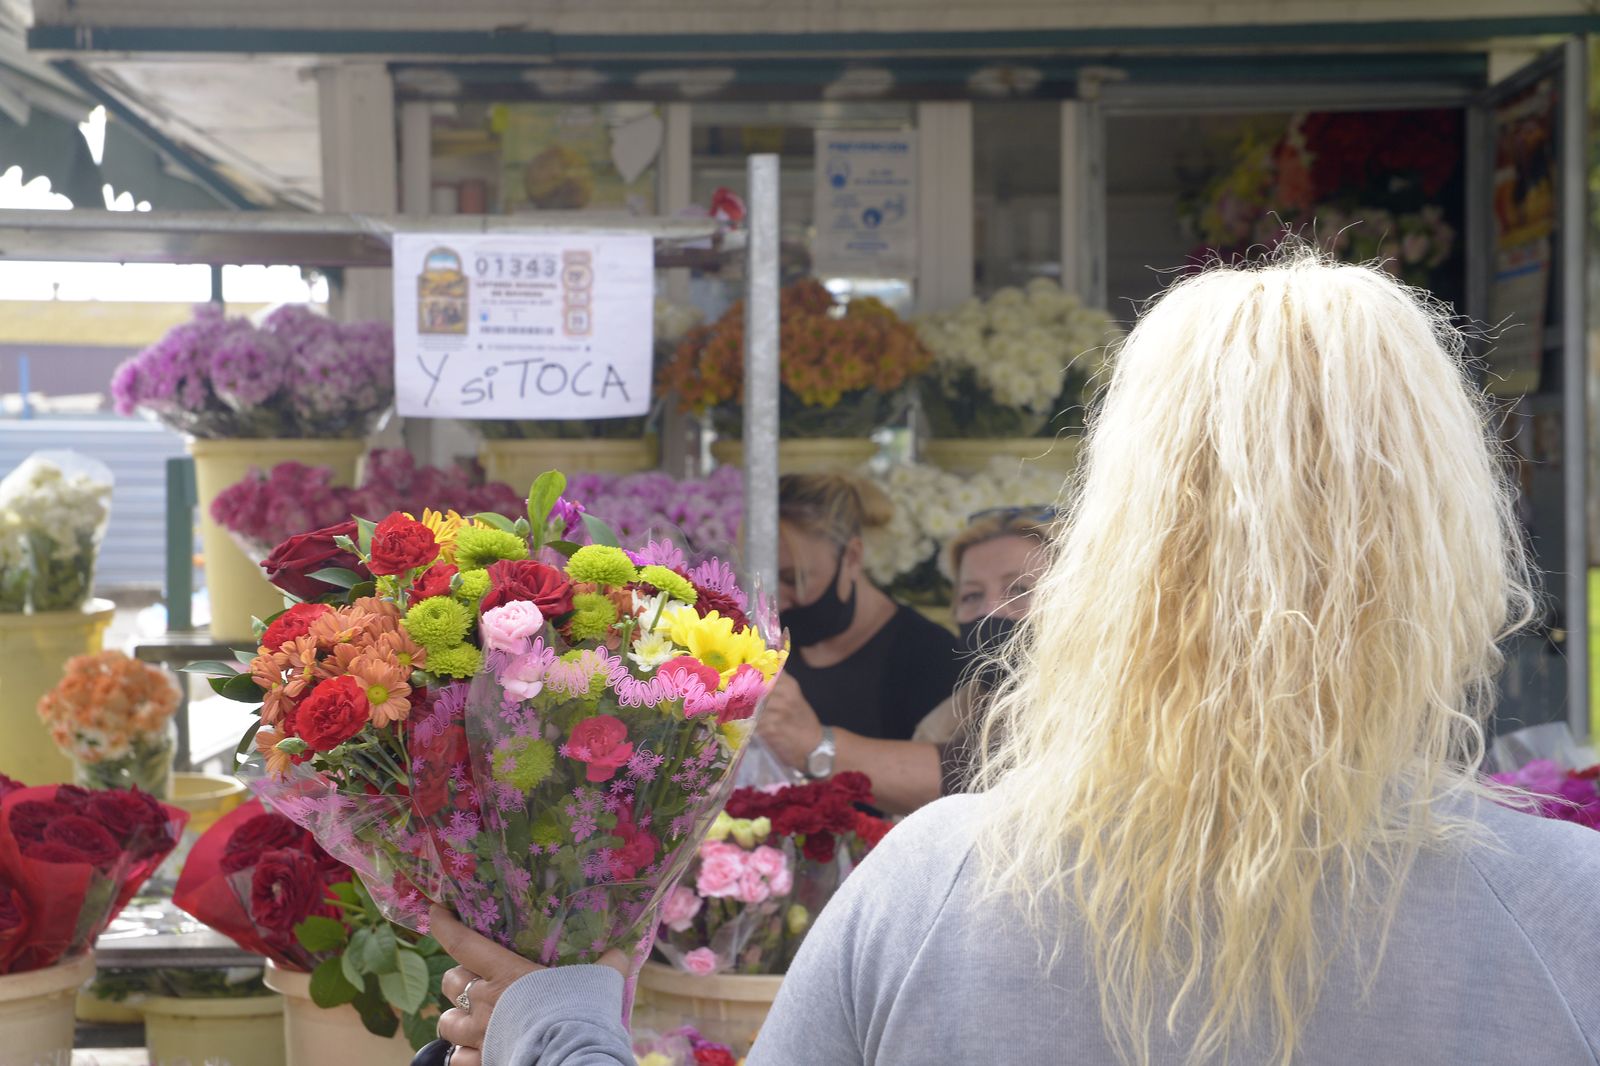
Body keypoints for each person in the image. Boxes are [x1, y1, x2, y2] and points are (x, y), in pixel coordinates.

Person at [426, 252, 1600, 1066]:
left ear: (1119, 542)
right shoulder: (1567, 916)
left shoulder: (935, 887)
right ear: (1447, 547)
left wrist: (551, 1017)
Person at [755, 472, 963, 789]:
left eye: (793, 579)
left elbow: (951, 781)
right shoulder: (765, 643)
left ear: (852, 558)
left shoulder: (927, 656)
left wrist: (814, 745)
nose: (778, 601)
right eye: (763, 583)